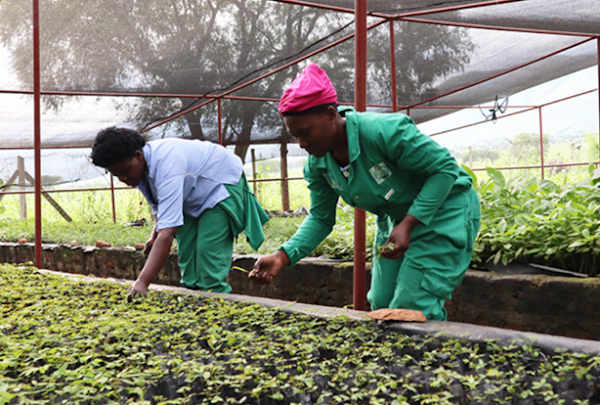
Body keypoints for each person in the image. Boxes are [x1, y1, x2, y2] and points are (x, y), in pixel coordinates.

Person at [249, 64, 481, 320]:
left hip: (444, 212)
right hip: (396, 221)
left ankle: (426, 359)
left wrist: (409, 223)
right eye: (295, 137)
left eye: (305, 133)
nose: (302, 144)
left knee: (411, 307)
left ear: (330, 114)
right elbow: (320, 218)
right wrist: (283, 256)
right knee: (381, 303)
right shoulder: (318, 164)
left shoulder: (384, 132)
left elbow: (445, 170)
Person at [91, 128, 269, 296]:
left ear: (138, 156)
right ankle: (194, 303)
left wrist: (142, 282)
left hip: (220, 183)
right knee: (188, 258)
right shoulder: (142, 170)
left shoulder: (167, 164)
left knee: (208, 254)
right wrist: (154, 235)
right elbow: (160, 207)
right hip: (191, 194)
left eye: (125, 172)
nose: (124, 179)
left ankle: (218, 309)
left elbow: (168, 233)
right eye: (117, 176)